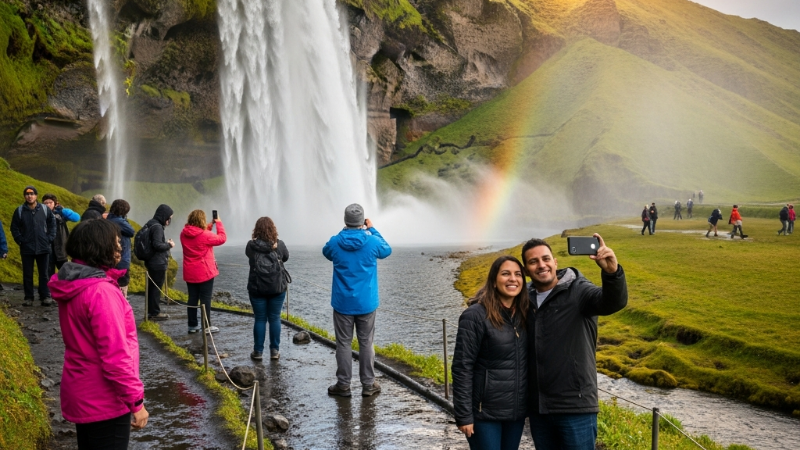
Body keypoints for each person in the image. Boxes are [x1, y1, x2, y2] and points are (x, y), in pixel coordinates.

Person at [48, 219, 148, 447]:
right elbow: (115, 357)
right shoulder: (101, 292)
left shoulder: (75, 282)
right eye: (115, 242)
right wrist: (136, 402)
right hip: (104, 399)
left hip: (82, 390)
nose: (120, 247)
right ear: (98, 247)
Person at [522, 235, 627, 449]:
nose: (541, 265)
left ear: (555, 262)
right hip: (539, 410)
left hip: (575, 408)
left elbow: (612, 302)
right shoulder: (524, 298)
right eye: (533, 262)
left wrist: (612, 273)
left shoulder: (578, 290)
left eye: (546, 259)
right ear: (526, 270)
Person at [453, 256, 529, 450]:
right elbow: (462, 367)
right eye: (505, 274)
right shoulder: (475, 316)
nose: (513, 279)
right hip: (483, 414)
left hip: (515, 413)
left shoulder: (525, 314)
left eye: (518, 274)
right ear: (494, 281)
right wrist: (464, 415)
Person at [323, 204, 392, 397]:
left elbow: (326, 252)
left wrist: (344, 231)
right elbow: (387, 250)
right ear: (362, 221)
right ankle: (368, 385)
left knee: (343, 344)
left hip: (343, 303)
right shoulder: (372, 242)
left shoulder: (336, 242)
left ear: (345, 221)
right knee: (366, 343)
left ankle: (343, 385)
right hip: (366, 303)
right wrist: (371, 228)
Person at [246, 217, 289, 360]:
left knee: (259, 319)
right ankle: (274, 351)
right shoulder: (280, 244)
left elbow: (249, 256)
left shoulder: (251, 246)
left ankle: (258, 352)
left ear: (256, 230)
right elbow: (286, 257)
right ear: (273, 229)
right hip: (277, 288)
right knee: (275, 318)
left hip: (257, 287)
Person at [180, 210, 226, 335]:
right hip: (205, 272)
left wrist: (210, 225)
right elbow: (222, 238)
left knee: (192, 299)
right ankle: (206, 326)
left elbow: (198, 233)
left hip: (190, 272)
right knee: (205, 299)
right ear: (201, 220)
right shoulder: (205, 236)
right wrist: (219, 224)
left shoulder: (183, 234)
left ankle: (192, 325)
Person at [10, 186, 56, 306]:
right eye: (27, 194)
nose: (29, 196)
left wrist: (49, 238)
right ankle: (28, 297)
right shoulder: (20, 210)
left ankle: (45, 296)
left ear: (36, 196)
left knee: (44, 273)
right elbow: (14, 228)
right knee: (27, 273)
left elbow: (52, 224)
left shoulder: (45, 209)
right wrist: (20, 240)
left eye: (32, 194)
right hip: (27, 248)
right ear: (24, 196)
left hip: (43, 247)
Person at [144, 204, 174, 320]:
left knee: (152, 287)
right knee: (156, 287)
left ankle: (151, 310)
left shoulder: (151, 223)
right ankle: (155, 313)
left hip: (152, 261)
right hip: (157, 263)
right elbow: (157, 245)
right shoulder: (157, 227)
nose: (169, 220)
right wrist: (169, 245)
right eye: (169, 217)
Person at [42, 193, 80, 277]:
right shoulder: (40, 214)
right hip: (47, 247)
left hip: (61, 247)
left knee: (66, 274)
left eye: (50, 202)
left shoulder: (60, 214)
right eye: (46, 203)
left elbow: (76, 218)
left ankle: (66, 289)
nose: (48, 205)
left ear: (55, 204)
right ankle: (48, 289)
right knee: (48, 273)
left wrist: (65, 211)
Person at [106, 200, 135, 299]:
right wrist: (124, 219)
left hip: (111, 258)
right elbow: (131, 231)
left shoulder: (109, 219)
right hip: (122, 259)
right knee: (122, 285)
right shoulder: (119, 221)